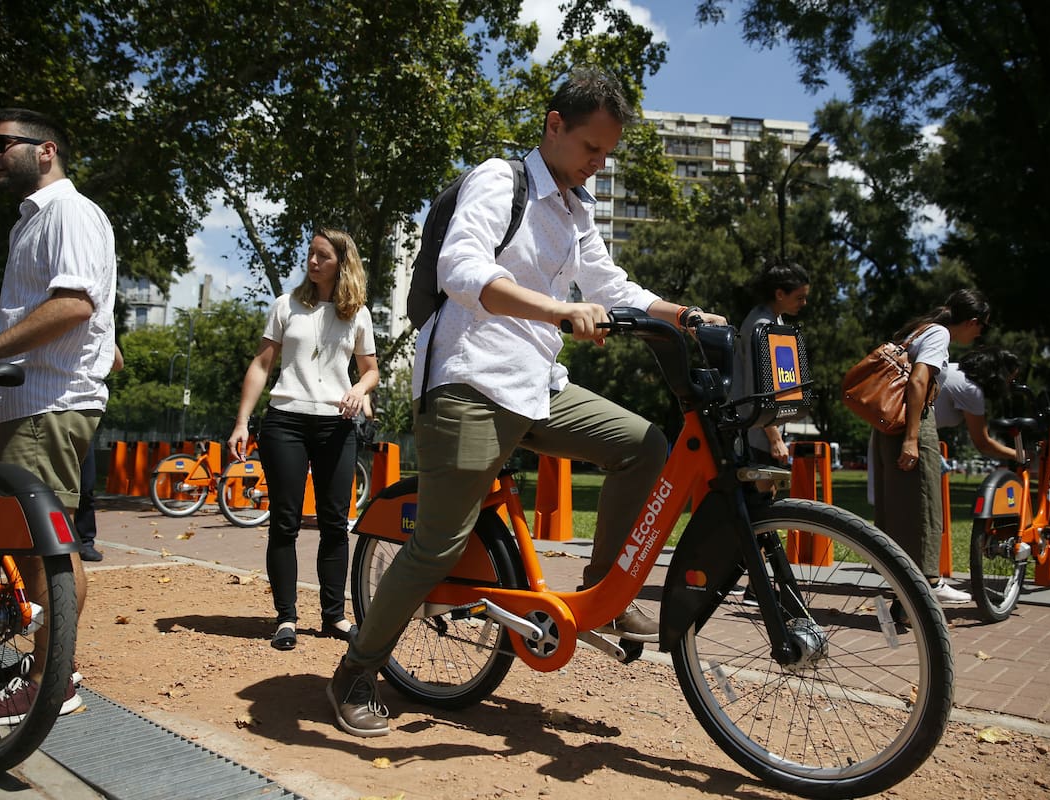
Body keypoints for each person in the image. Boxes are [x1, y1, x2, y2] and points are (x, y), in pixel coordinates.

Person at [327, 67, 726, 738]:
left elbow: (610, 282)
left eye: (608, 153)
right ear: (554, 126)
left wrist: (682, 314)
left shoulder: (577, 209)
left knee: (644, 445)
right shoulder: (498, 179)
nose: (599, 165)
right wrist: (558, 310)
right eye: (591, 149)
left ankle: (607, 595)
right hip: (470, 384)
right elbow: (462, 270)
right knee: (435, 546)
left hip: (539, 389)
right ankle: (357, 670)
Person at [0, 108, 117, 720]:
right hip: (27, 400)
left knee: (44, 550)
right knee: (32, 544)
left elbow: (75, 303)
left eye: (0, 145)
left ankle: (51, 684)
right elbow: (90, 314)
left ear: (45, 149)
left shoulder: (66, 212)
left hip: (44, 403)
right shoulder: (33, 222)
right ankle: (48, 674)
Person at [228, 228, 379, 652]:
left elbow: (370, 370)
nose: (312, 262)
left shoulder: (358, 314)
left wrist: (359, 390)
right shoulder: (285, 306)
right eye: (310, 254)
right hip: (285, 423)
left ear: (341, 263)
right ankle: (286, 617)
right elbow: (262, 364)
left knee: (335, 524)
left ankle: (334, 616)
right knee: (285, 521)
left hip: (336, 425)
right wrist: (242, 421)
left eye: (322, 256)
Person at [870, 289, 990, 606]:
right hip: (912, 422)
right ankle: (929, 582)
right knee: (925, 505)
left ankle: (903, 583)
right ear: (973, 321)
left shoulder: (918, 329)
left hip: (888, 422)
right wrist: (912, 438)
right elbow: (918, 381)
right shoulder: (938, 334)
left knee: (898, 506)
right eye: (981, 326)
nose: (979, 333)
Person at [734, 261, 810, 466]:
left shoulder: (775, 320)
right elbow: (757, 392)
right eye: (799, 297)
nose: (803, 303)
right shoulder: (762, 326)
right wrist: (775, 439)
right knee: (763, 495)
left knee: (767, 494)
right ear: (779, 294)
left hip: (765, 428)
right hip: (758, 433)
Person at [75, 344, 124, 562]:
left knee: (85, 486)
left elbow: (118, 363)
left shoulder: (98, 325)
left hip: (82, 412)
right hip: (46, 405)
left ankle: (85, 541)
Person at [934, 346, 1019, 465]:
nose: (1008, 387)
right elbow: (983, 444)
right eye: (1009, 381)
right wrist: (1020, 455)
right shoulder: (970, 389)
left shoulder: (953, 369)